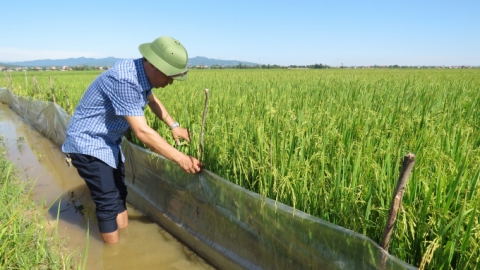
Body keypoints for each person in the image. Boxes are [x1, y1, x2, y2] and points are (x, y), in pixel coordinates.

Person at [62, 36, 203, 244]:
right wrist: (181, 159)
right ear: (154, 66)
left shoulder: (140, 72)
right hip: (88, 143)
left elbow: (152, 100)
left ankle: (125, 243)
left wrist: (174, 126)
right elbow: (142, 132)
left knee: (120, 193)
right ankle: (114, 257)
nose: (171, 82)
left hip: (108, 143)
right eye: (169, 76)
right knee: (108, 202)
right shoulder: (125, 80)